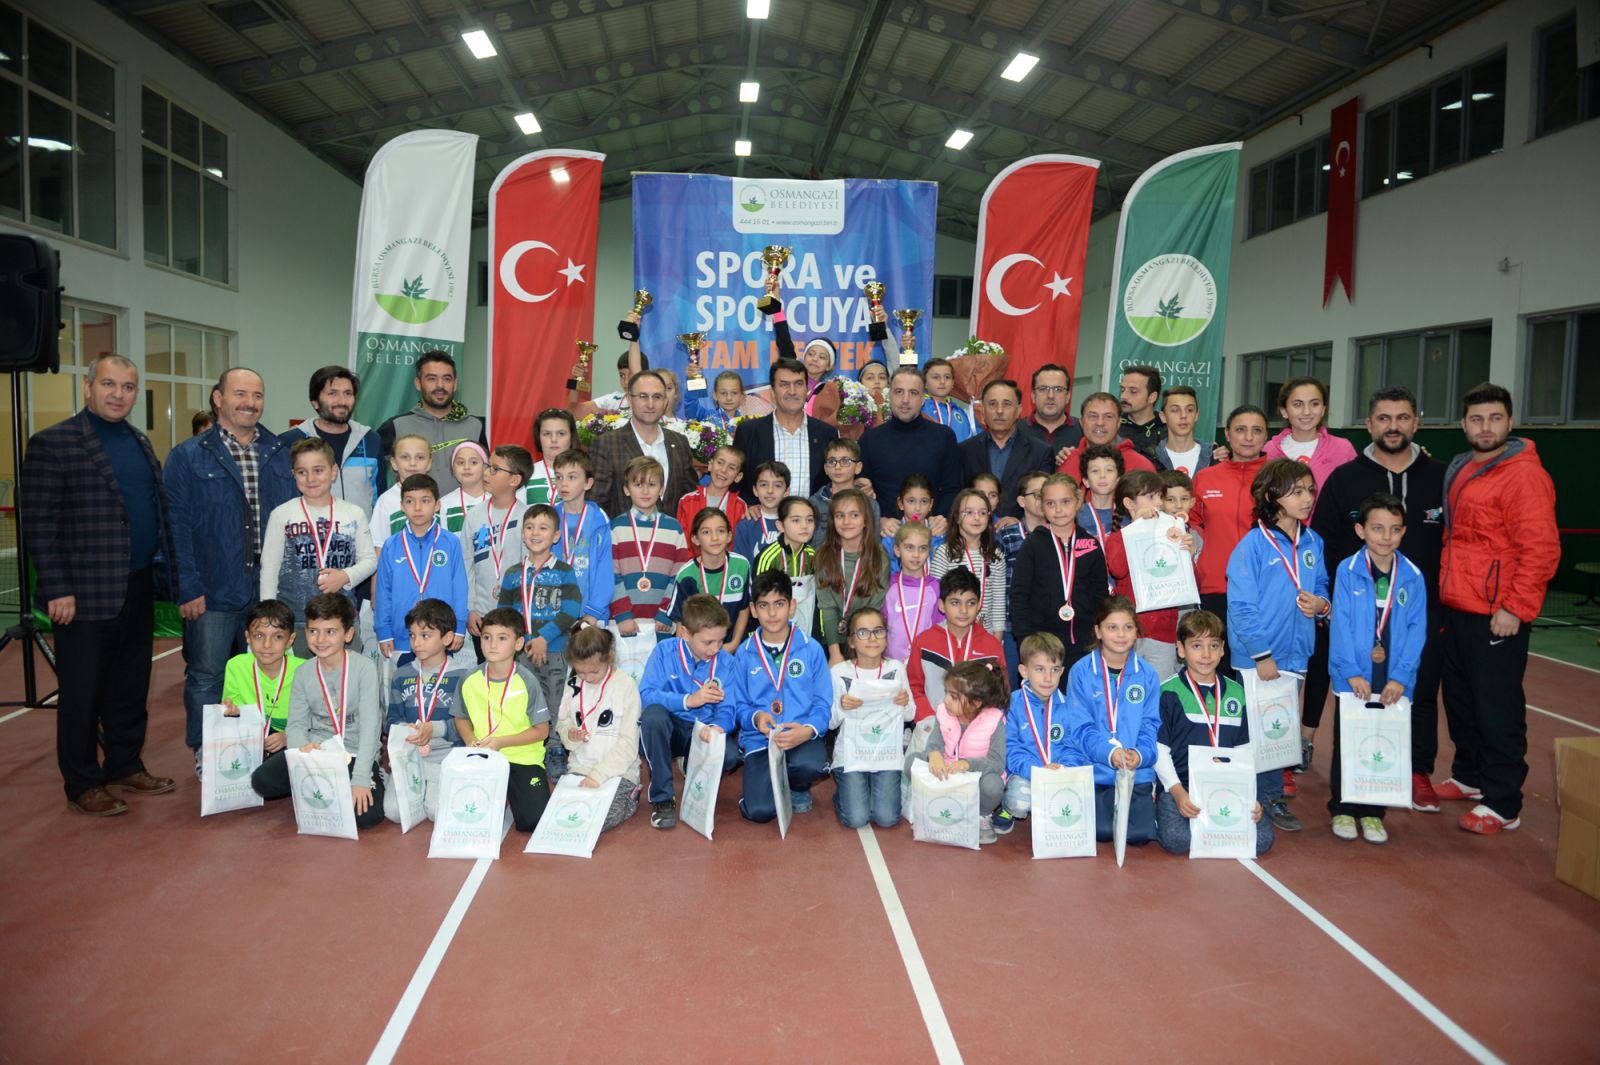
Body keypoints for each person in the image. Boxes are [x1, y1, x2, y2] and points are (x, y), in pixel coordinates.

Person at [20, 354, 179, 814]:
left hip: (137, 585)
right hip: (82, 594)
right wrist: (57, 588)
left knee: (130, 685)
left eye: (128, 387)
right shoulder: (53, 443)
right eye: (108, 384)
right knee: (82, 692)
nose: (118, 394)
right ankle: (82, 781)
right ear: (88, 387)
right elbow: (39, 524)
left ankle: (124, 764)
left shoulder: (139, 441)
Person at [1312, 386, 1445, 811]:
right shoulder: (1345, 478)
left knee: (1419, 688)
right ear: (1369, 424)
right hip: (1355, 610)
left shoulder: (1440, 476)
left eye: (1402, 417)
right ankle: (1350, 789)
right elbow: (1324, 539)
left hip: (1418, 609)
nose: (1393, 426)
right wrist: (1330, 599)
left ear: (1416, 423)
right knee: (1354, 696)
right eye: (1384, 418)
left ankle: (1416, 771)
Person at [1438, 383, 1559, 835]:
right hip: (1457, 604)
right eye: (1476, 419)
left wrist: (1515, 607)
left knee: (1497, 707)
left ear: (1510, 422)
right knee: (1461, 699)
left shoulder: (1524, 475)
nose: (1485, 427)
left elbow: (1541, 549)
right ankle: (1470, 775)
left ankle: (1503, 800)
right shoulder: (1462, 467)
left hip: (1497, 614)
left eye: (1494, 418)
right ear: (1464, 424)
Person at [167, 366, 296, 776]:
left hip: (270, 590)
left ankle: (258, 747)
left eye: (257, 395)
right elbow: (175, 526)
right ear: (218, 398)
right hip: (213, 589)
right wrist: (187, 585)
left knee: (265, 670)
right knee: (206, 674)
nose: (250, 403)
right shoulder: (188, 456)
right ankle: (208, 750)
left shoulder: (280, 451)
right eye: (240, 394)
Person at [1227, 459, 1331, 834]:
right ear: (1272, 496)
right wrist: (1262, 655)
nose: (1307, 498)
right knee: (1254, 731)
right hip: (1259, 658)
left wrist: (1321, 604)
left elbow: (1321, 584)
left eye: (1310, 491)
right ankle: (1251, 796)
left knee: (1277, 729)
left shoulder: (1313, 541)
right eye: (1297, 492)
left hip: (1296, 653)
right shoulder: (1252, 546)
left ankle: (1269, 797)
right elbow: (1241, 607)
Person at [1327, 494, 1428, 846]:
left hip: (1392, 677)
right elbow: (1340, 624)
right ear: (1361, 530)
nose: (1386, 537)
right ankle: (1342, 808)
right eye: (1378, 529)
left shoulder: (1412, 577)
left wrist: (1402, 676)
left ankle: (1373, 811)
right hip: (1354, 675)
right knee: (1349, 741)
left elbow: (1417, 630)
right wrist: (1350, 671)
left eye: (1395, 529)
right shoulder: (1347, 570)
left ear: (1404, 532)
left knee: (1384, 741)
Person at [249, 593, 386, 830]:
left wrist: (361, 778)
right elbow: (296, 725)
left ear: (348, 634)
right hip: (317, 749)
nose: (320, 639)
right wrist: (302, 751)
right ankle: (330, 786)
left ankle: (371, 776)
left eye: (330, 631)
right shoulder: (303, 672)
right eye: (313, 631)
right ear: (306, 633)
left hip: (352, 752)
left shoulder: (364, 669)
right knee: (262, 781)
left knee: (367, 817)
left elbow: (371, 728)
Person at [1154, 610, 1273, 857]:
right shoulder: (1168, 692)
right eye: (1197, 646)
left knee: (1263, 841)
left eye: (1214, 646)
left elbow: (1245, 751)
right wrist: (1177, 793)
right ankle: (1163, 813)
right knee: (1177, 840)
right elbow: (1160, 751)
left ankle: (1211, 830)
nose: (1206, 654)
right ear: (1181, 649)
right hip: (1183, 786)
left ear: (1222, 650)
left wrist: (1248, 795)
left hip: (1226, 786)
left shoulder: (1236, 692)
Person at [733, 570, 833, 823]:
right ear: (753, 610)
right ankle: (761, 787)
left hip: (800, 735)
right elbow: (738, 705)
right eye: (764, 605)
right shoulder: (744, 653)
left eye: (779, 604)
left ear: (792, 606)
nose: (772, 613)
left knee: (811, 765)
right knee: (759, 813)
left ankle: (797, 786)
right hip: (760, 739)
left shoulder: (811, 649)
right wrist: (756, 718)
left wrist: (808, 730)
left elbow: (823, 703)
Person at [259, 438, 378, 651]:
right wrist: (268, 616)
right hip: (295, 621)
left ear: (333, 472)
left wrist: (345, 576)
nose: (310, 478)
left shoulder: (354, 513)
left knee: (343, 672)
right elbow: (269, 568)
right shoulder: (282, 514)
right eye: (302, 472)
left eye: (318, 470)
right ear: (293, 474)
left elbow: (370, 560)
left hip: (341, 620)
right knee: (297, 672)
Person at [637, 594, 741, 829]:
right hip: (672, 729)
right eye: (708, 642)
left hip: (703, 731)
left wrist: (718, 727)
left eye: (720, 641)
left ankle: (692, 765)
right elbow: (647, 694)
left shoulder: (726, 663)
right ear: (685, 633)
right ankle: (663, 798)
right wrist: (689, 700)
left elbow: (729, 709)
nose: (715, 649)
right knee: (653, 717)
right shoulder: (664, 651)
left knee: (731, 756)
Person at [1063, 597, 1161, 845]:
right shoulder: (1081, 672)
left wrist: (1140, 755)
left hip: (1136, 772)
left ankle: (1148, 802)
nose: (1121, 635)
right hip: (1097, 770)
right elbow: (1080, 729)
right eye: (1112, 627)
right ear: (1098, 631)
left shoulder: (1148, 674)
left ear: (1136, 632)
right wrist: (1109, 753)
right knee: (1103, 832)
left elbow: (1150, 725)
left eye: (1128, 627)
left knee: (1139, 836)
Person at [451, 607, 553, 833]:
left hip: (522, 758)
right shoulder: (469, 679)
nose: (493, 644)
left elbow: (542, 731)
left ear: (519, 643)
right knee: (467, 819)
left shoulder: (527, 681)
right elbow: (461, 717)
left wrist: (501, 742)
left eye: (502, 638)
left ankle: (516, 791)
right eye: (487, 637)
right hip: (481, 757)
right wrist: (470, 740)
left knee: (533, 822)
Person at [498, 505, 583, 777]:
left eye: (543, 528)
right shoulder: (513, 573)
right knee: (525, 701)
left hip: (555, 651)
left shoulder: (564, 572)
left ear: (556, 536)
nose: (535, 533)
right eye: (530, 527)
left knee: (555, 702)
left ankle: (555, 748)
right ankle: (528, 748)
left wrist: (544, 638)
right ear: (523, 534)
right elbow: (504, 615)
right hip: (521, 652)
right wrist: (525, 641)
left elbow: (572, 610)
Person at [1101, 471, 1199, 681]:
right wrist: (1136, 529)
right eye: (1151, 497)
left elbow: (1192, 587)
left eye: (1160, 497)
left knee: (1159, 690)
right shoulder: (1118, 537)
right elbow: (1118, 569)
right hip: (1128, 632)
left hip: (1163, 632)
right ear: (1130, 503)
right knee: (1126, 689)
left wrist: (1188, 557)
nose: (1159, 503)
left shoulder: (1171, 534)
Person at [1012, 474, 1110, 675]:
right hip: (1042, 645)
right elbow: (1019, 595)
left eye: (1065, 502)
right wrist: (1025, 640)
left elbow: (1101, 596)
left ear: (1078, 501)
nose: (1058, 510)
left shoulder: (1091, 544)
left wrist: (1099, 636)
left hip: (1084, 644)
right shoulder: (1032, 545)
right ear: (1042, 506)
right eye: (1050, 503)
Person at [381, 598, 467, 824]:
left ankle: (431, 792)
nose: (416, 642)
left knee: (436, 813)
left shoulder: (463, 676)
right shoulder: (401, 675)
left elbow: (467, 726)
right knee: (393, 813)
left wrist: (434, 729)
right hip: (409, 755)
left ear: (447, 638)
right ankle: (410, 785)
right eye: (412, 635)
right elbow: (390, 720)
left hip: (446, 757)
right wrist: (403, 728)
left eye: (425, 635)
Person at [829, 606, 914, 829]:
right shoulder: (839, 672)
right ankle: (842, 795)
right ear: (851, 641)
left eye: (878, 631)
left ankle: (863, 790)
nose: (872, 638)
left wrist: (904, 703)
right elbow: (830, 722)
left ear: (886, 637)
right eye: (863, 632)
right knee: (856, 818)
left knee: (887, 819)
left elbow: (910, 714)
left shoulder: (896, 668)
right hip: (851, 755)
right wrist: (842, 706)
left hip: (886, 755)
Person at [1191, 404, 1270, 636]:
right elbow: (1191, 524)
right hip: (1214, 586)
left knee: (1260, 657)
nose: (1248, 437)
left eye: (1257, 430)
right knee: (1217, 654)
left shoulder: (1279, 477)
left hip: (1264, 587)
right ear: (1227, 434)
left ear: (1266, 436)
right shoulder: (1205, 477)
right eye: (1240, 429)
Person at [555, 624, 643, 831]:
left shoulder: (626, 686)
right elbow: (562, 723)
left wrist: (599, 775)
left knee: (599, 818)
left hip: (618, 772)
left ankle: (631, 796)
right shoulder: (573, 685)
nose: (587, 678)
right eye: (581, 672)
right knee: (564, 817)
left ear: (609, 657)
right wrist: (571, 734)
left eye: (594, 671)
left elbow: (629, 743)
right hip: (580, 768)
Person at [373, 473, 467, 665]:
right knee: (406, 682)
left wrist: (458, 627)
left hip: (441, 634)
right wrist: (384, 631)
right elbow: (383, 591)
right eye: (410, 501)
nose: (417, 508)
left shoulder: (450, 542)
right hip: (403, 638)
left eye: (425, 501)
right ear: (401, 506)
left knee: (440, 682)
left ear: (437, 505)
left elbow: (459, 588)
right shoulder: (391, 545)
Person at [914, 660, 1009, 845]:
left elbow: (997, 763)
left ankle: (982, 816)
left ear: (976, 703)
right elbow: (934, 743)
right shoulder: (944, 712)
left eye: (954, 696)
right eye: (946, 693)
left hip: (975, 777)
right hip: (947, 772)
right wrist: (934, 755)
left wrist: (968, 764)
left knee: (993, 785)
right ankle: (926, 809)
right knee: (912, 761)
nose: (945, 700)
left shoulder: (994, 720)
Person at [860, 367, 963, 529]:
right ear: (890, 395)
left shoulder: (944, 437)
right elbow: (861, 493)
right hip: (885, 534)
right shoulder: (869, 440)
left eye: (913, 393)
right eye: (899, 392)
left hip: (932, 533)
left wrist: (941, 517)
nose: (905, 400)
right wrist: (879, 520)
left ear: (923, 398)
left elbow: (953, 488)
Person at [590, 370, 701, 517]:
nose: (650, 404)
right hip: (622, 531)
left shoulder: (679, 443)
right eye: (643, 396)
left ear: (665, 401)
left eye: (657, 397)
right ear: (630, 400)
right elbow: (596, 504)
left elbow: (690, 500)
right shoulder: (607, 444)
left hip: (671, 531)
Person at [375, 351, 487, 496]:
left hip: (466, 510)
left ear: (455, 384)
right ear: (418, 383)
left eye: (447, 379)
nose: (440, 385)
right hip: (413, 510)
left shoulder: (477, 426)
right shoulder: (395, 426)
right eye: (432, 379)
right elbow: (372, 475)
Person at [731, 358, 839, 503]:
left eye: (799, 384)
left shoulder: (827, 434)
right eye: (784, 385)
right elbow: (736, 483)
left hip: (815, 516)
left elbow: (834, 483)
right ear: (772, 391)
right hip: (762, 516)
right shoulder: (748, 432)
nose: (792, 391)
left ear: (807, 389)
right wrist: (750, 506)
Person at [609, 456, 691, 638]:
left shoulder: (674, 528)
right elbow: (611, 574)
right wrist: (622, 614)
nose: (645, 491)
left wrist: (666, 612)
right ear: (626, 489)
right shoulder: (616, 527)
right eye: (638, 485)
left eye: (652, 485)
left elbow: (679, 575)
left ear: (661, 489)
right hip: (624, 624)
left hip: (661, 623)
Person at [283, 366, 382, 516]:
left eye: (348, 393)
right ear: (315, 402)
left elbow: (379, 496)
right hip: (309, 530)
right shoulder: (291, 441)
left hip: (361, 529)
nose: (342, 401)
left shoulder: (371, 440)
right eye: (332, 393)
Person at [995, 632, 1069, 833]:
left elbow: (1074, 746)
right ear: (1024, 671)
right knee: (1020, 801)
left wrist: (1063, 768)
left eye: (1054, 670)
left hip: (1059, 774)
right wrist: (1037, 770)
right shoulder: (1012, 705)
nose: (1048, 678)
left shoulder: (1069, 706)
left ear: (1062, 671)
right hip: (1025, 773)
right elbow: (1010, 748)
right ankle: (1007, 808)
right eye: (1040, 669)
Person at [907, 568, 1004, 719]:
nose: (963, 610)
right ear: (941, 605)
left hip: (977, 727)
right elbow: (914, 688)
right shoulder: (924, 642)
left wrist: (981, 723)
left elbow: (999, 692)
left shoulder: (992, 646)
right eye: (955, 602)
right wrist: (928, 719)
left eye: (970, 603)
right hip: (933, 724)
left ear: (979, 605)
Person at [460, 444, 532, 639]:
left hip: (517, 614)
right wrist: (470, 608)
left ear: (514, 480)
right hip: (481, 614)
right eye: (487, 466)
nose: (486, 473)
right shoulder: (474, 517)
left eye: (495, 469)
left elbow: (531, 569)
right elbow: (466, 565)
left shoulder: (527, 518)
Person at [220, 599, 304, 759]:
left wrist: (288, 736)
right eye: (258, 636)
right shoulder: (236, 665)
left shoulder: (304, 670)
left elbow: (316, 721)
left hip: (292, 736)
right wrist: (232, 710)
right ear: (248, 637)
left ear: (290, 640)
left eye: (277, 637)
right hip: (252, 735)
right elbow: (235, 711)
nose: (267, 644)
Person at [816, 489, 891, 664]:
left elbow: (874, 608)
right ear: (832, 520)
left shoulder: (879, 557)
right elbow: (827, 608)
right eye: (840, 516)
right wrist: (834, 653)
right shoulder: (823, 555)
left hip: (866, 638)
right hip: (832, 641)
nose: (846, 522)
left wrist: (862, 649)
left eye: (854, 515)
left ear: (866, 520)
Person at [959, 379, 1050, 521]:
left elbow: (1046, 499)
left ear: (1019, 410)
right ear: (983, 410)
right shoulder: (965, 451)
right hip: (975, 529)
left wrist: (1020, 524)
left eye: (1007, 404)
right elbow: (958, 497)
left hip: (1023, 531)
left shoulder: (1040, 452)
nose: (999, 411)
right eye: (992, 404)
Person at [995, 468, 1051, 680]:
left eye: (1047, 494)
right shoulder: (1007, 535)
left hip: (1050, 624)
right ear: (1021, 501)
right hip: (1013, 626)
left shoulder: (1059, 535)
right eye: (1036, 494)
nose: (1043, 499)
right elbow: (997, 581)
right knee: (1013, 683)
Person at [549, 448, 614, 628]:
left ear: (588, 483)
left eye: (572, 477)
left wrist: (592, 614)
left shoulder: (600, 521)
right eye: (559, 477)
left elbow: (606, 571)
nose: (563, 484)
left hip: (591, 616)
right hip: (554, 614)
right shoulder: (549, 519)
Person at [669, 508, 751, 650]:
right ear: (695, 539)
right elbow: (681, 624)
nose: (715, 538)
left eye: (721, 531)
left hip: (731, 649)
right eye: (706, 532)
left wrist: (734, 644)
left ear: (729, 536)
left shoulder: (741, 565)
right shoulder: (686, 575)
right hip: (698, 652)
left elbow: (744, 608)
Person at [930, 489, 1006, 638]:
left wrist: (997, 639)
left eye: (983, 513)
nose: (977, 517)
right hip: (951, 635)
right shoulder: (944, 553)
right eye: (969, 512)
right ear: (957, 517)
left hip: (985, 635)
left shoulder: (996, 556)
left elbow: (998, 603)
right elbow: (935, 599)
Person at [1262, 377, 1356, 495]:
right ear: (1284, 411)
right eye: (1297, 404)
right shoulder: (1269, 450)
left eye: (1314, 404)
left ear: (1323, 409)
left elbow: (1354, 492)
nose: (1306, 412)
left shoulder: (1342, 449)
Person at [755, 495, 820, 635]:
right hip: (774, 626)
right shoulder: (768, 557)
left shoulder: (813, 555)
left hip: (806, 624)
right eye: (796, 520)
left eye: (809, 520)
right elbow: (760, 598)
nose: (804, 526)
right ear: (780, 526)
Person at [1055, 392, 1157, 476]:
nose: (1100, 423)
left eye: (1108, 417)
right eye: (1093, 416)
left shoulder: (1141, 467)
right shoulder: (1067, 461)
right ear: (1081, 422)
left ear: (1118, 423)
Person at [885, 522, 943, 666]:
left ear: (929, 551)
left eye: (922, 548)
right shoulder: (887, 586)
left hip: (925, 663)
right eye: (909, 547)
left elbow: (940, 629)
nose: (916, 555)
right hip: (891, 663)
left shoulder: (935, 587)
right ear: (897, 550)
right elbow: (881, 625)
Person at [810, 438, 881, 547]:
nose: (837, 467)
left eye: (845, 461)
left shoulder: (870, 505)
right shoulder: (813, 504)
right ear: (826, 469)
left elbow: (874, 545)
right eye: (832, 461)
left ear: (858, 467)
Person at [371, 433, 434, 540]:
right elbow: (378, 545)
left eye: (420, 457)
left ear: (429, 463)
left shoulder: (434, 497)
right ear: (394, 463)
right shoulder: (385, 501)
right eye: (405, 457)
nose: (412, 463)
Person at [881, 475, 947, 571]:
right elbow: (887, 572)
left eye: (924, 501)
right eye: (911, 501)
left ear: (931, 504)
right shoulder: (891, 535)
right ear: (900, 503)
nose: (918, 508)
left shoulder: (939, 532)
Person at [677, 444, 748, 533]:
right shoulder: (687, 500)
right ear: (710, 465)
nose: (723, 470)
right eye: (720, 463)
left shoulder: (740, 506)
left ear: (738, 477)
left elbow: (740, 538)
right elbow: (680, 537)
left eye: (731, 468)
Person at [732, 460, 790, 563]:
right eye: (764, 485)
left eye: (777, 485)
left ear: (786, 491)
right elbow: (741, 565)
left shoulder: (794, 524)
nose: (770, 491)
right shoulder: (745, 526)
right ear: (755, 490)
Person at [1021, 363, 1082, 459]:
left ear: (1067, 397)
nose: (1050, 396)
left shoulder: (1083, 431)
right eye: (1043, 389)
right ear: (1033, 396)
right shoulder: (1015, 430)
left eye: (1058, 389)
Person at [1152, 386, 1216, 477]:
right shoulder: (1151, 459)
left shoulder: (1214, 457)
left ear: (1196, 415)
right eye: (1175, 410)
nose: (1183, 415)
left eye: (1190, 410)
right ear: (1163, 417)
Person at [1075, 444, 1124, 552]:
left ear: (1118, 480)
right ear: (1086, 481)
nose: (1102, 475)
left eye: (1109, 470)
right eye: (1095, 471)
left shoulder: (1128, 515)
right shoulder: (1075, 515)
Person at [526, 408, 577, 507]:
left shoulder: (584, 473)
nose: (554, 439)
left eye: (561, 433)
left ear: (571, 437)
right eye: (547, 434)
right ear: (538, 437)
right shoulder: (527, 474)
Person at [921, 358, 977, 440]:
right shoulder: (919, 409)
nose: (942, 381)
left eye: (947, 377)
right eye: (936, 377)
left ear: (952, 383)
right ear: (925, 383)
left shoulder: (961, 413)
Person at [1118, 363, 1167, 456]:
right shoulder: (1113, 427)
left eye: (1133, 391)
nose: (1123, 396)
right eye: (1122, 390)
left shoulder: (1167, 432)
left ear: (1152, 397)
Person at [440, 442, 488, 533]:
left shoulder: (498, 499)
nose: (466, 467)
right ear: (453, 468)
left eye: (473, 462)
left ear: (485, 467)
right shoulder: (444, 505)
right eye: (461, 462)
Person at [684, 369, 747, 434]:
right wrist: (693, 380)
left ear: (741, 396)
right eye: (723, 393)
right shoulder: (707, 416)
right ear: (715, 395)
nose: (729, 398)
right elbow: (691, 407)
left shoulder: (747, 423)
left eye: (734, 393)